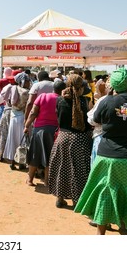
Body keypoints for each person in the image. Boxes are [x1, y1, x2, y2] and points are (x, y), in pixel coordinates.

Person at [74, 67, 127, 235]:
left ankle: (100, 234)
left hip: (107, 158)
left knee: (106, 193)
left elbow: (93, 120)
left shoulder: (106, 101)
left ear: (115, 85)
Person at [48, 74, 92, 208]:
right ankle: (77, 200)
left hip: (63, 137)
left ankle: (60, 198)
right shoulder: (85, 100)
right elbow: (90, 120)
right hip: (81, 139)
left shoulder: (60, 100)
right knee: (79, 170)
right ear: (82, 87)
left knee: (62, 168)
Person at [24, 80, 66, 186]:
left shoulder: (43, 96)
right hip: (55, 131)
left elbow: (33, 112)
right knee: (50, 155)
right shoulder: (63, 100)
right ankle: (47, 180)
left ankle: (30, 179)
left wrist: (27, 125)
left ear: (53, 88)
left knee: (35, 153)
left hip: (39, 130)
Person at [3, 72, 31, 170]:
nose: (29, 83)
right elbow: (27, 107)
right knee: (21, 140)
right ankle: (22, 162)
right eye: (27, 81)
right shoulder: (26, 92)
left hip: (13, 116)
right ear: (23, 81)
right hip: (22, 118)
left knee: (12, 139)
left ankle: (12, 162)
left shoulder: (12, 88)